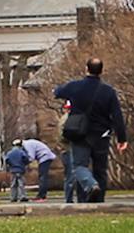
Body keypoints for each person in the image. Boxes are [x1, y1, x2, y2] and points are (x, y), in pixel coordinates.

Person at [54, 58, 127, 204]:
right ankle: (99, 201)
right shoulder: (108, 91)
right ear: (101, 71)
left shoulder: (75, 87)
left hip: (79, 133)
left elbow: (58, 92)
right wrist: (122, 138)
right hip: (101, 135)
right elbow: (117, 115)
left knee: (80, 167)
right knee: (100, 169)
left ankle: (88, 190)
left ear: (86, 68)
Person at [19, 136, 58, 200]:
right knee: (42, 176)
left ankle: (41, 195)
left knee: (42, 177)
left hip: (45, 157)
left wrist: (24, 163)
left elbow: (31, 157)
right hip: (45, 157)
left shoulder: (27, 145)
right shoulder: (29, 143)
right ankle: (42, 194)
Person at [4, 140, 31, 204]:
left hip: (13, 170)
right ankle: (22, 196)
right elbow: (26, 159)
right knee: (21, 184)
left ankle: (13, 197)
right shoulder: (22, 152)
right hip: (20, 170)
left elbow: (6, 160)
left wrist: (10, 166)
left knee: (13, 184)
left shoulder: (9, 153)